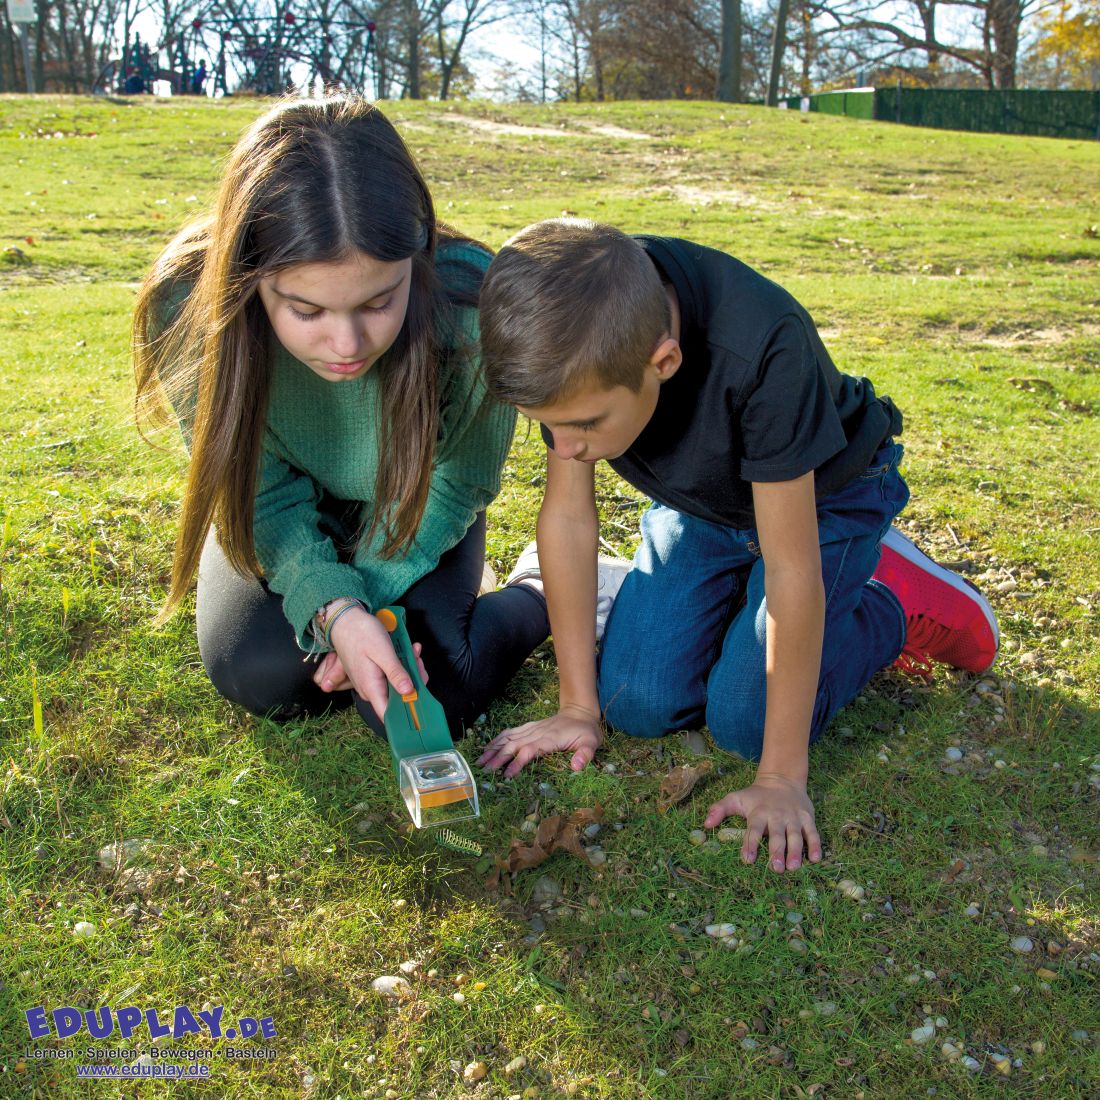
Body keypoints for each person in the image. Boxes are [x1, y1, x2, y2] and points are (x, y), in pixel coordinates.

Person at [475, 219, 999, 872]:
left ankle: (889, 600)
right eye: (548, 427)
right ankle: (728, 606)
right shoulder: (575, 330)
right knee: (635, 703)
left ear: (662, 362)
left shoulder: (762, 345)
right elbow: (569, 518)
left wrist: (782, 777)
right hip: (704, 504)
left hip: (821, 503)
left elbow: (790, 567)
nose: (567, 446)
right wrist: (577, 706)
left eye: (583, 425)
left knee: (745, 721)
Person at [132, 96, 552, 737]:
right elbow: (256, 492)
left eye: (380, 301)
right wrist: (334, 610)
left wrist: (366, 598)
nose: (349, 345)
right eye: (307, 312)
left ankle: (536, 590)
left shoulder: (472, 303)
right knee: (263, 672)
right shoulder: (188, 308)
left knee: (435, 682)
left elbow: (456, 481)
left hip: (418, 505)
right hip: (280, 510)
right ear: (250, 278)